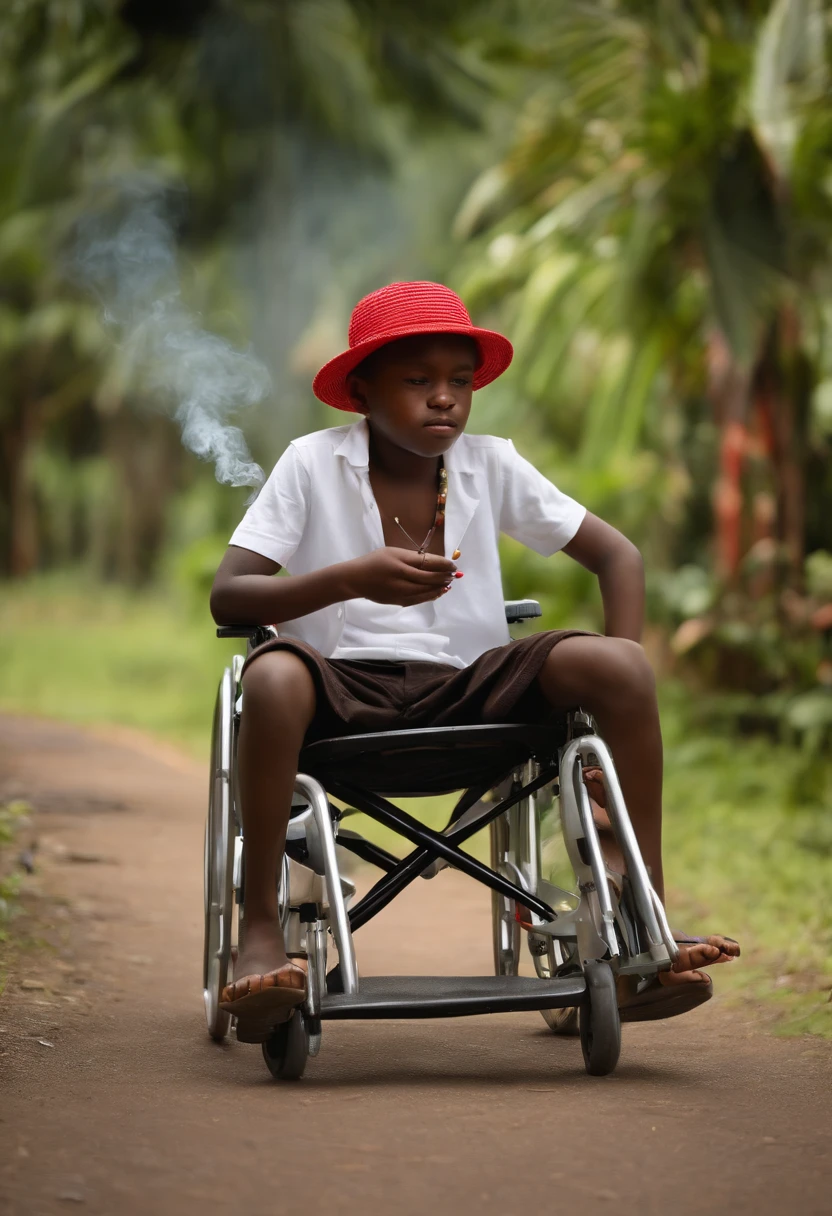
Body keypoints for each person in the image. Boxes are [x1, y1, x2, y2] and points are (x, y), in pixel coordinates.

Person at [210, 280, 738, 1036]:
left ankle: (638, 920)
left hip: (472, 691)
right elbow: (229, 597)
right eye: (418, 380)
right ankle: (259, 927)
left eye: (460, 381)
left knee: (622, 667)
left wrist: (600, 741)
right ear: (361, 392)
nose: (444, 400)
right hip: (335, 696)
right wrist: (351, 577)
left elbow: (618, 557)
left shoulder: (490, 465)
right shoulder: (311, 464)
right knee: (270, 673)